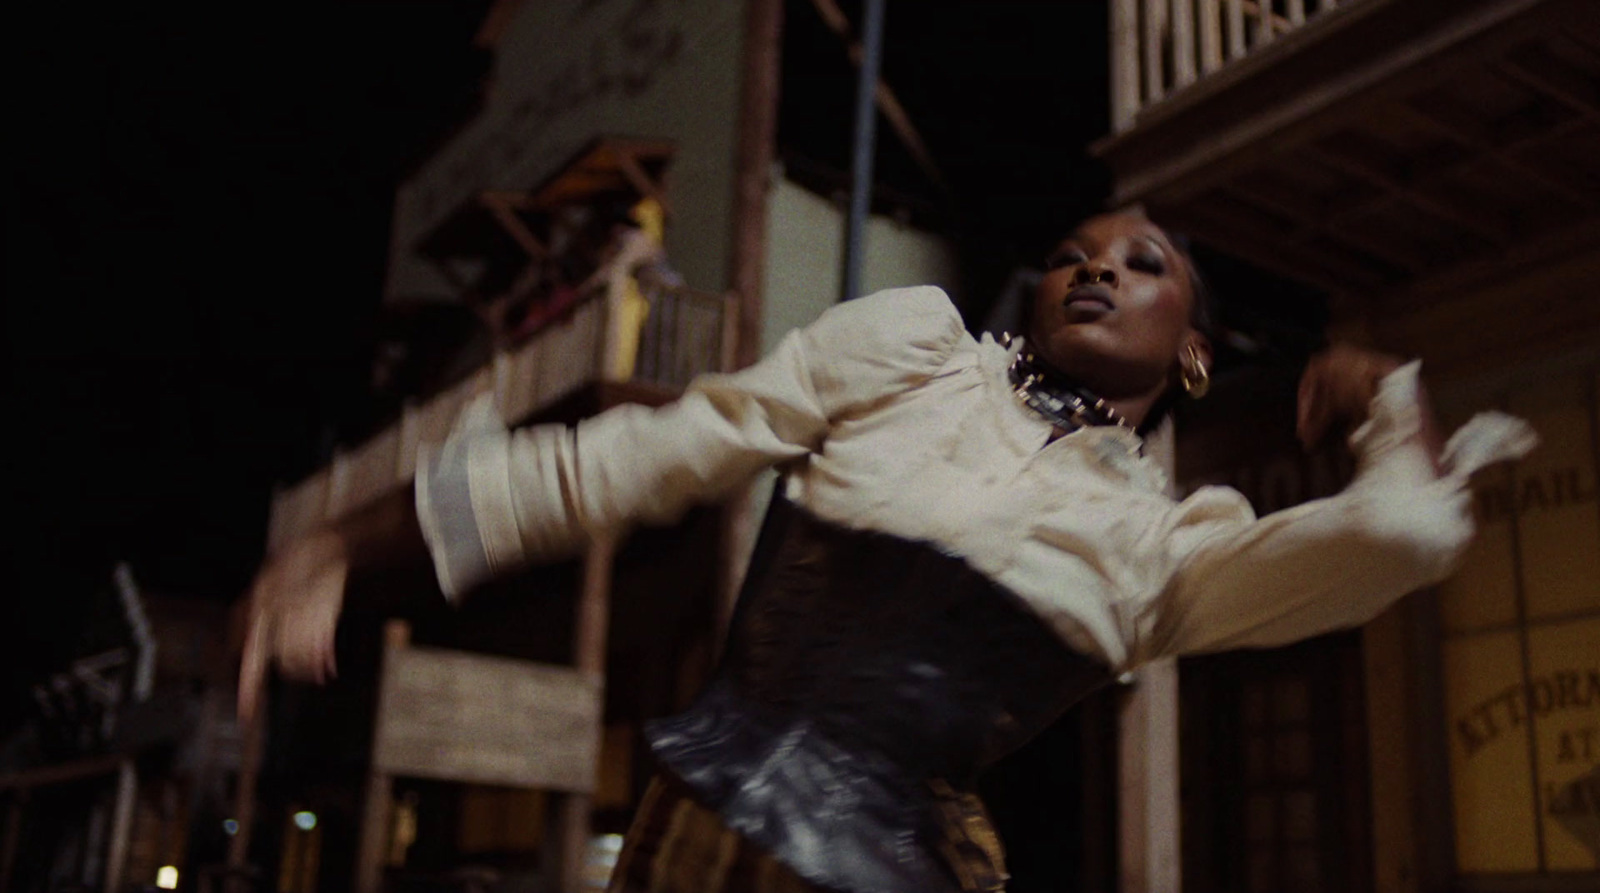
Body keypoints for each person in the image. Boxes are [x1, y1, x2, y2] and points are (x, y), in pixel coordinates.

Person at [239, 209, 1535, 893]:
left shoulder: (1165, 543)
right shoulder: (911, 353)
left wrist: (1383, 391)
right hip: (699, 832)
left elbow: (1402, 531)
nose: (1096, 271)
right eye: (1074, 257)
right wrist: (346, 543)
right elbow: (628, 462)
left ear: (1191, 347)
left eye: (1142, 265)